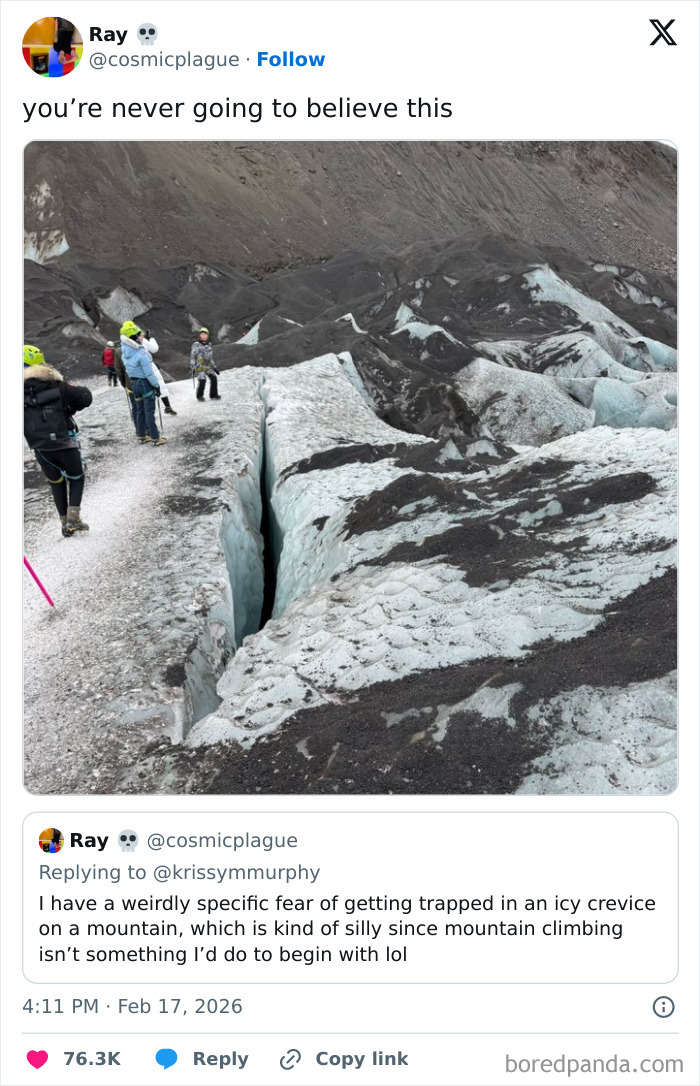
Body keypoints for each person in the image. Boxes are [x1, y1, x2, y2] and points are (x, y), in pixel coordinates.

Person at [24, 344, 92, 537]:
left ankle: (64, 524)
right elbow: (85, 397)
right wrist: (68, 409)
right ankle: (74, 519)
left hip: (39, 447)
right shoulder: (56, 385)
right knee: (76, 477)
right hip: (64, 442)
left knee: (55, 481)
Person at [119, 321, 167, 445]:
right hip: (145, 384)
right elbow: (149, 374)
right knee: (149, 411)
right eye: (139, 335)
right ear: (134, 336)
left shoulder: (125, 353)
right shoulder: (142, 353)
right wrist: (156, 386)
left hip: (134, 384)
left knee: (139, 410)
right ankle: (156, 437)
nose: (141, 337)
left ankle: (142, 435)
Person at [140, 329, 177, 415]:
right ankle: (167, 407)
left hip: (138, 370)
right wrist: (151, 339)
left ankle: (147, 413)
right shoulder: (143, 341)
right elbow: (154, 349)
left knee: (146, 390)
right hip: (149, 365)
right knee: (160, 385)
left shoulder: (128, 345)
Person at [190, 327, 221, 401]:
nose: (204, 336)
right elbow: (192, 356)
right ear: (200, 335)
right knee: (202, 380)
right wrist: (193, 368)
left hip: (208, 366)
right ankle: (199, 396)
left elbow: (210, 358)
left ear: (208, 336)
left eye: (205, 334)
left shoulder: (209, 345)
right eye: (202, 334)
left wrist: (214, 367)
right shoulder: (196, 345)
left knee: (214, 379)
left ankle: (213, 395)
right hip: (199, 366)